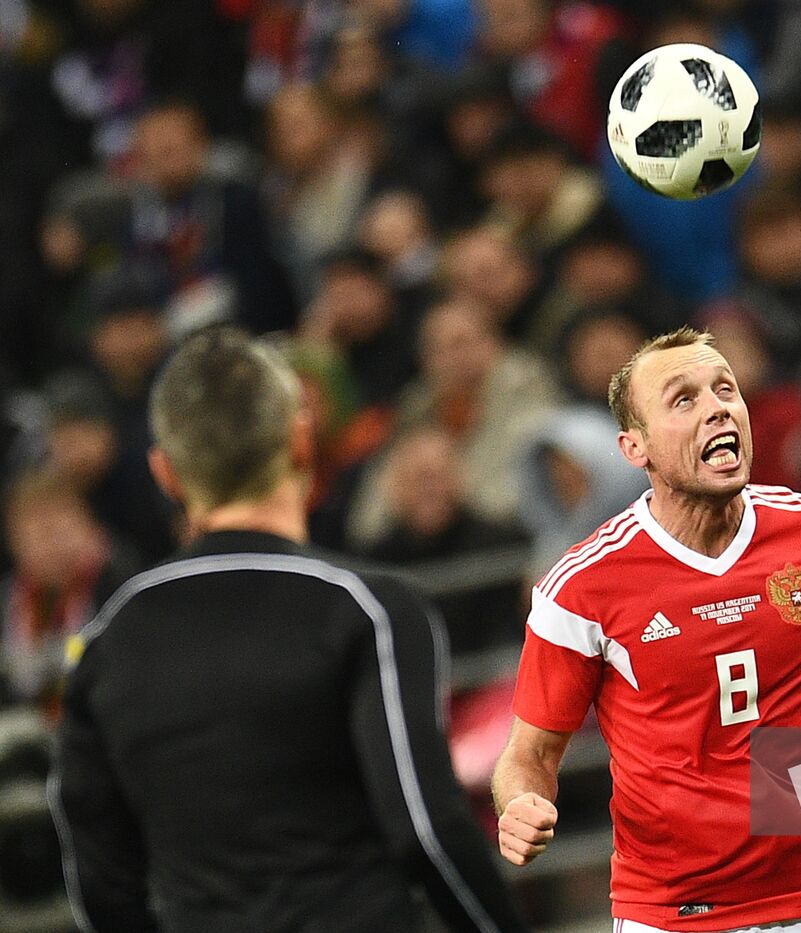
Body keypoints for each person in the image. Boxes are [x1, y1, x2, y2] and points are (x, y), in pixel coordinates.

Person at [48, 327, 526, 932]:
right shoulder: (370, 609)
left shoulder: (101, 644)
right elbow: (425, 828)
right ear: (301, 443)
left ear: (165, 473)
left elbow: (97, 871)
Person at [492, 327, 801, 928]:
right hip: (680, 911)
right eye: (683, 399)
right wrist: (518, 805)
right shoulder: (582, 586)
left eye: (726, 389)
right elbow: (530, 754)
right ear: (634, 447)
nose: (718, 406)